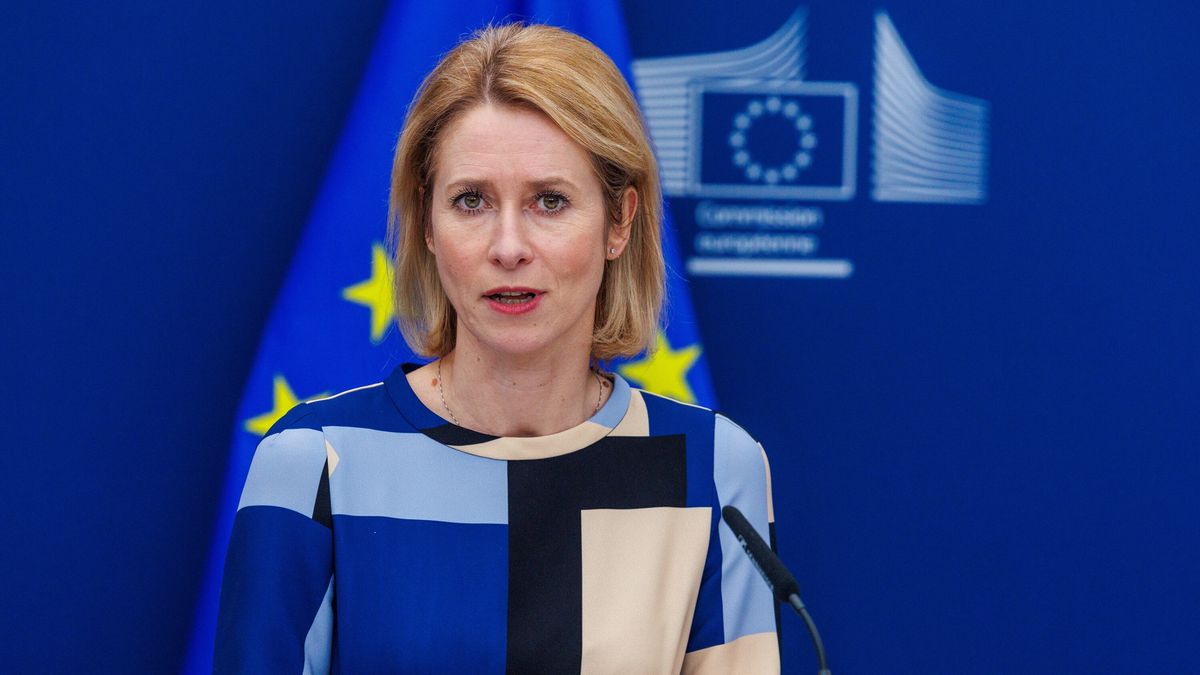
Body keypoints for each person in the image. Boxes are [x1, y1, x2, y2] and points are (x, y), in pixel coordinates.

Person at [214, 22, 780, 673]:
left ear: (619, 223)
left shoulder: (715, 467)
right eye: (472, 200)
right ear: (427, 221)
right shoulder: (314, 461)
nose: (508, 246)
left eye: (549, 200)